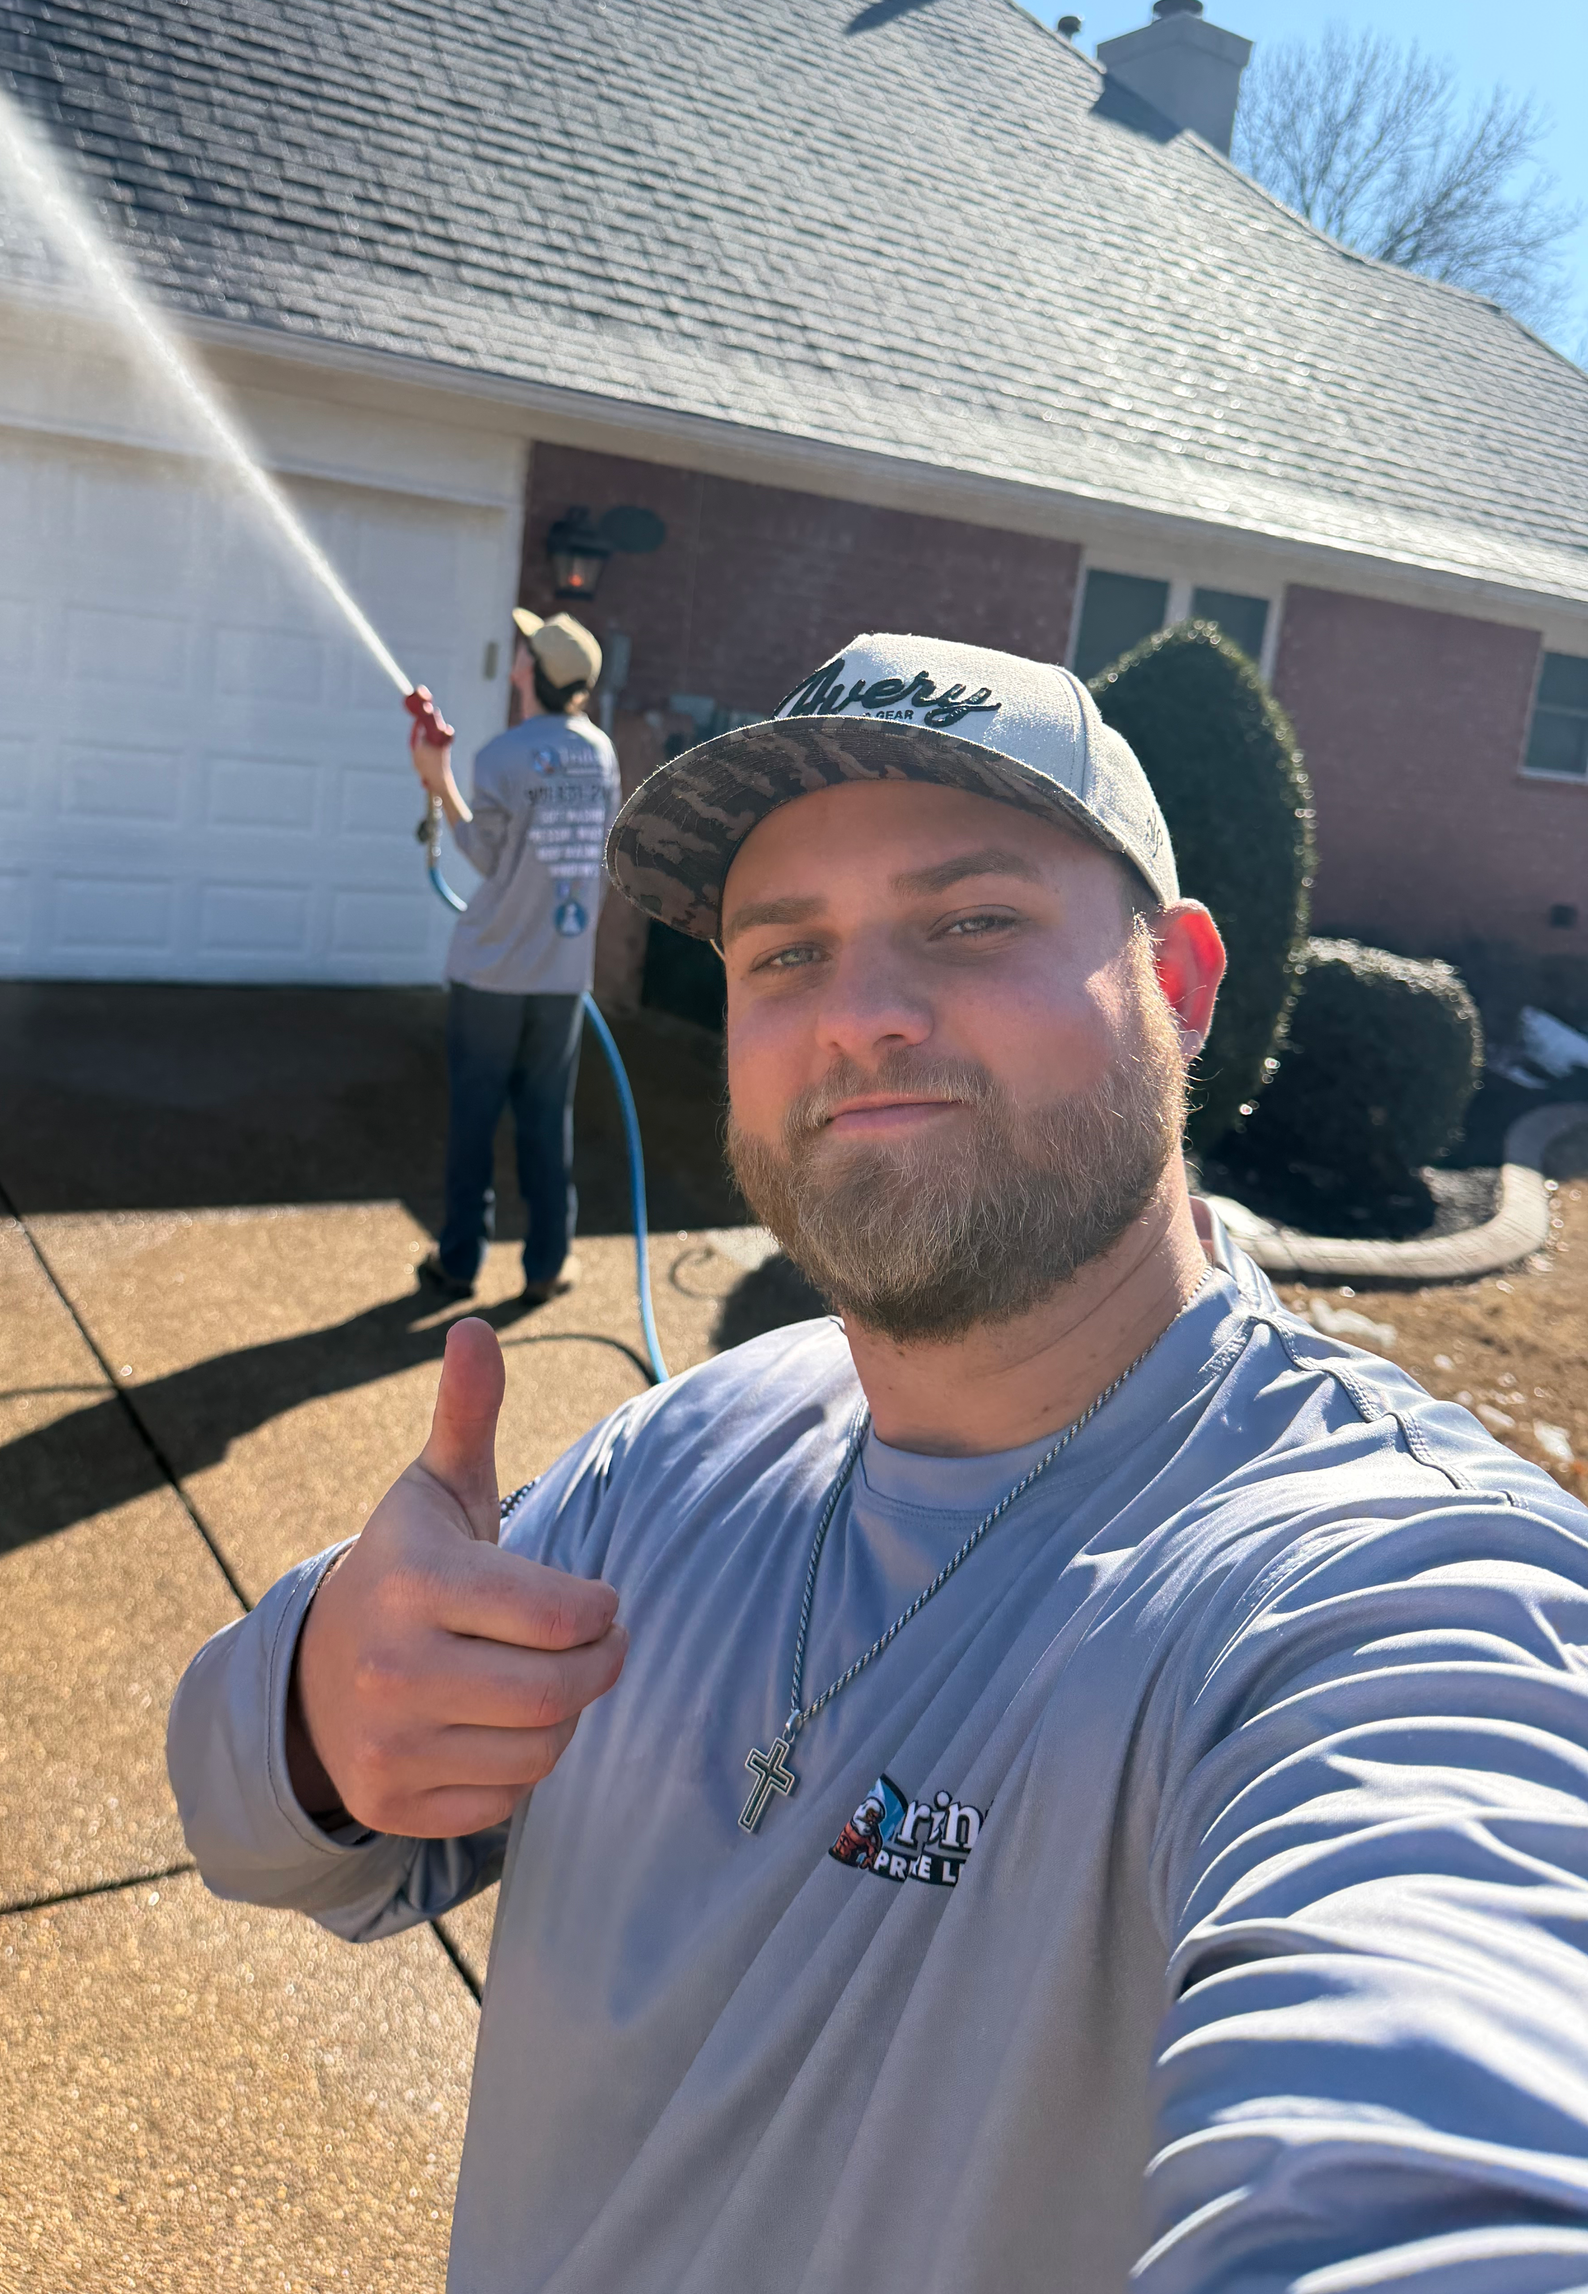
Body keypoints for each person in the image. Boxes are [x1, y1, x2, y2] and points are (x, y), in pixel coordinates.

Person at [169, 631, 1588, 2293]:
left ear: (1181, 987)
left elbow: (1442, 2137)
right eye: (783, 955)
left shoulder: (1380, 1589)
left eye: (972, 922)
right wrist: (320, 1701)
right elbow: (240, 1825)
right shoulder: (673, 1458)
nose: (861, 1020)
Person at [410, 607, 620, 1307]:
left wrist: (437, 779)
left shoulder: (501, 756)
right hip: (561, 979)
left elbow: (482, 854)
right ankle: (547, 1265)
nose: (518, 661)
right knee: (545, 1121)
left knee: (474, 1122)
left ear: (533, 672)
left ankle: (460, 1263)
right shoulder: (602, 753)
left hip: (492, 975)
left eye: (525, 652)